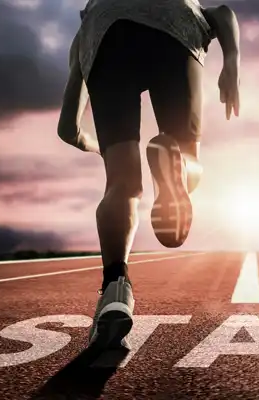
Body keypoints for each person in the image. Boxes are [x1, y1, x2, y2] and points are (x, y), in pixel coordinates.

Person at [57, 0, 241, 350]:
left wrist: (102, 148)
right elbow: (222, 14)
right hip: (174, 22)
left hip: (106, 33)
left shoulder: (85, 30)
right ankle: (173, 160)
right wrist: (231, 60)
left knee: (122, 185)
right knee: (188, 158)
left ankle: (115, 290)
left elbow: (68, 128)